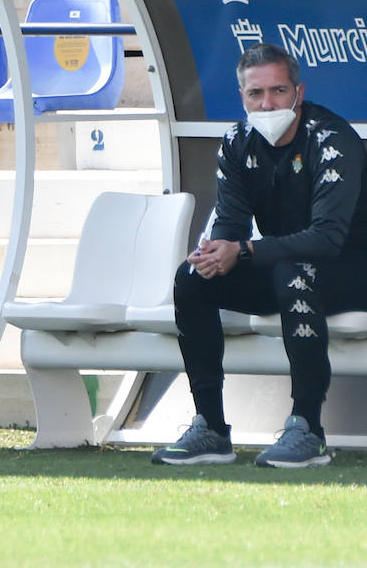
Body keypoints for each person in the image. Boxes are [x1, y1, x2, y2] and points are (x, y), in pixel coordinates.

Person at [152, 42, 367, 469]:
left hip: (351, 266)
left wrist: (244, 250)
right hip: (287, 264)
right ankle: (210, 428)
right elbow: (231, 224)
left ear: (298, 93)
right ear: (243, 97)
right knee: (192, 279)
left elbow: (326, 240)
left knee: (293, 272)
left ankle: (307, 429)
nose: (267, 103)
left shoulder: (332, 138)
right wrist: (217, 252)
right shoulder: (236, 141)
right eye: (256, 94)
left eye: (278, 91)